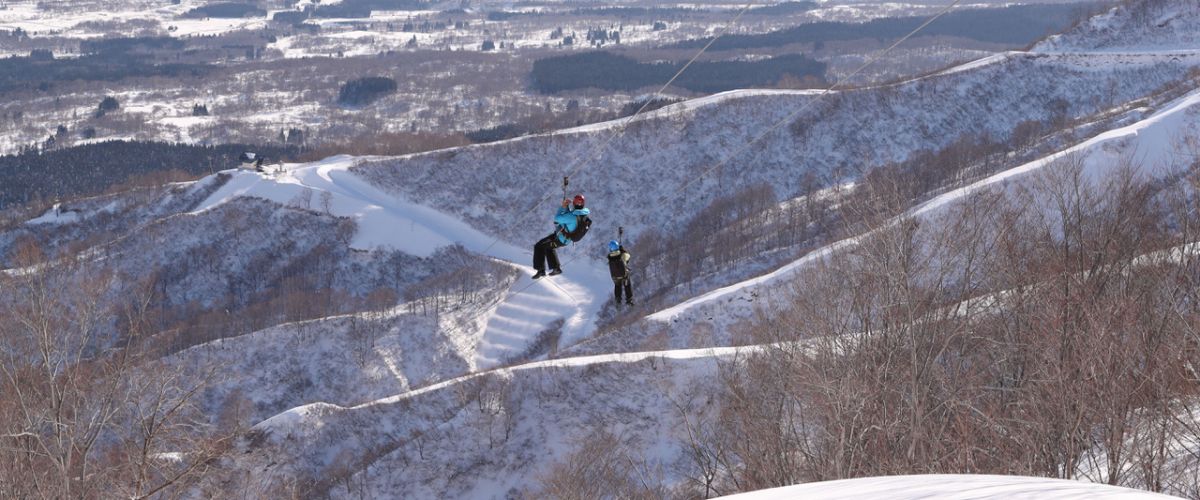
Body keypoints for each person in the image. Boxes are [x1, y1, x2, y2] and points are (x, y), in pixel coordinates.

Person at [532, 194, 590, 279]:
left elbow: (557, 218)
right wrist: (566, 209)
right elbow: (570, 220)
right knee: (547, 247)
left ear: (574, 203)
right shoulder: (583, 215)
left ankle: (541, 270)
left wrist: (563, 207)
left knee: (539, 246)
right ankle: (556, 268)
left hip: (561, 238)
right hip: (562, 236)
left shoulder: (572, 216)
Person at [607, 239, 634, 306]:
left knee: (617, 286)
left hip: (615, 276)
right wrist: (623, 250)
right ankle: (629, 300)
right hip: (624, 275)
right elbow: (628, 256)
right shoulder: (622, 255)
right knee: (627, 285)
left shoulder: (609, 257)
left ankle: (618, 300)